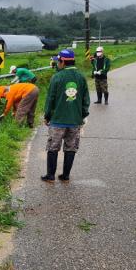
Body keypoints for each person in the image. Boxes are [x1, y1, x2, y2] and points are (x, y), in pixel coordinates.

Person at [41, 48, 90, 183]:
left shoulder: (57, 77)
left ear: (62, 61)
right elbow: (85, 100)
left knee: (53, 147)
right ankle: (65, 175)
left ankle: (50, 175)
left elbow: (50, 99)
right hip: (75, 121)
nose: (58, 64)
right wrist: (83, 115)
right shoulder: (81, 77)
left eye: (58, 61)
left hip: (57, 120)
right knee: (71, 147)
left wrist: (47, 116)